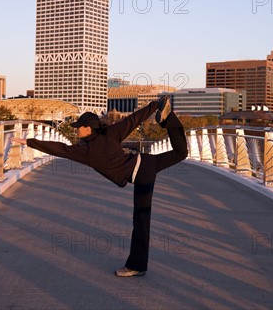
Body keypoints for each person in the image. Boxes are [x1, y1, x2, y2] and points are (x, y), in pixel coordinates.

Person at [11, 96, 188, 277]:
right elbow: (132, 120)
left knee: (141, 220)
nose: (76, 130)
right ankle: (168, 119)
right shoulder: (109, 133)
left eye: (79, 127)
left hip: (141, 173)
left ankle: (137, 266)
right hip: (147, 162)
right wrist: (154, 106)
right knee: (181, 152)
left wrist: (30, 142)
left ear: (88, 128)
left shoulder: (86, 151)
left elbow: (60, 149)